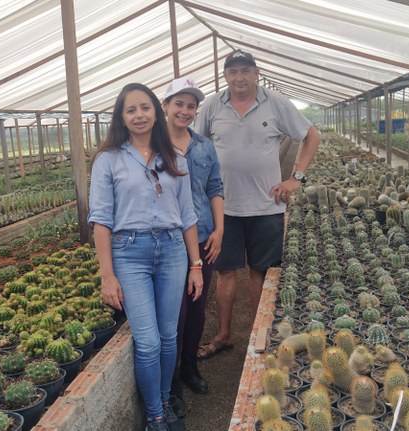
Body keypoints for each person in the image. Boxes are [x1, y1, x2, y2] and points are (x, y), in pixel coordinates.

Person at [88, 82, 204, 431]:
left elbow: (188, 216)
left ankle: (166, 402)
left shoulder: (175, 158)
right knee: (148, 340)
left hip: (172, 251)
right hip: (130, 253)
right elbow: (101, 220)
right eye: (130, 110)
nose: (139, 115)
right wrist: (107, 276)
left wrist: (195, 265)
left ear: (156, 111)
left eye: (144, 108)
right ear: (121, 118)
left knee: (169, 336)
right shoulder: (108, 160)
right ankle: (155, 415)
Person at [193, 50, 320, 359]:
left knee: (259, 272)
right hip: (224, 209)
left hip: (267, 206)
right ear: (225, 76)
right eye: (233, 71)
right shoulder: (212, 104)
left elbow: (311, 135)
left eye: (245, 71)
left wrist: (296, 178)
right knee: (225, 272)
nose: (239, 77)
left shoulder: (275, 102)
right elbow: (192, 142)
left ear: (256, 73)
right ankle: (223, 335)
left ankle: (257, 332)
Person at [161, 77, 224, 397]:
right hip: (167, 241)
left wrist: (219, 229)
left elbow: (215, 188)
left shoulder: (204, 146)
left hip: (202, 236)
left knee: (197, 306)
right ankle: (171, 381)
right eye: (179, 104)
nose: (185, 111)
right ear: (165, 107)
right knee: (176, 311)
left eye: (191, 106)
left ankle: (189, 366)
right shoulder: (152, 146)